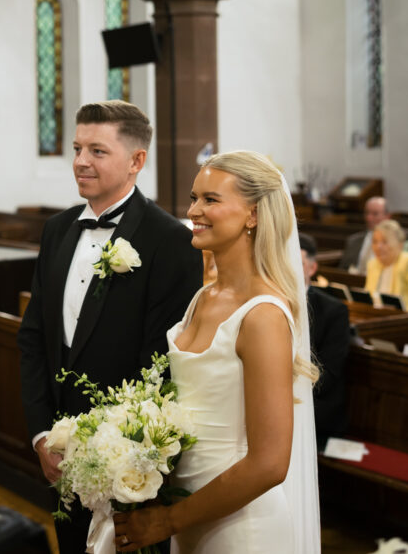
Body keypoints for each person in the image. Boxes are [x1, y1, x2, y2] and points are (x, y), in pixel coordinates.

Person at [16, 101, 202, 553]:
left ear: (137, 160)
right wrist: (42, 435)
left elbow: (160, 363)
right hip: (57, 453)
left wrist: (114, 448)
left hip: (127, 459)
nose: (81, 161)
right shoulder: (57, 230)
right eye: (77, 148)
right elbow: (34, 337)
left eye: (97, 151)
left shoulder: (170, 240)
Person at [113, 150, 320, 553]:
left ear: (253, 215)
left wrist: (168, 520)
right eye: (194, 198)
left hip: (241, 525)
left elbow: (269, 464)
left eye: (210, 199)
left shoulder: (262, 315)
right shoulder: (203, 298)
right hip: (188, 513)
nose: (193, 211)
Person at [299, 233, 350, 447]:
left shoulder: (333, 311)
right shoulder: (268, 301)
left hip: (314, 408)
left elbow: (328, 374)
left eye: (299, 263)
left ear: (312, 268)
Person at [364, 219, 408, 312]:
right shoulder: (372, 264)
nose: (378, 247)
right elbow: (369, 297)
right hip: (374, 314)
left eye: (384, 242)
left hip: (404, 316)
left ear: (399, 244)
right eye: (375, 242)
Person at [338, 196, 389, 273]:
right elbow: (343, 269)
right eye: (367, 213)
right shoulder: (353, 240)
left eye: (375, 214)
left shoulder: (394, 242)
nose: (369, 218)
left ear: (387, 216)